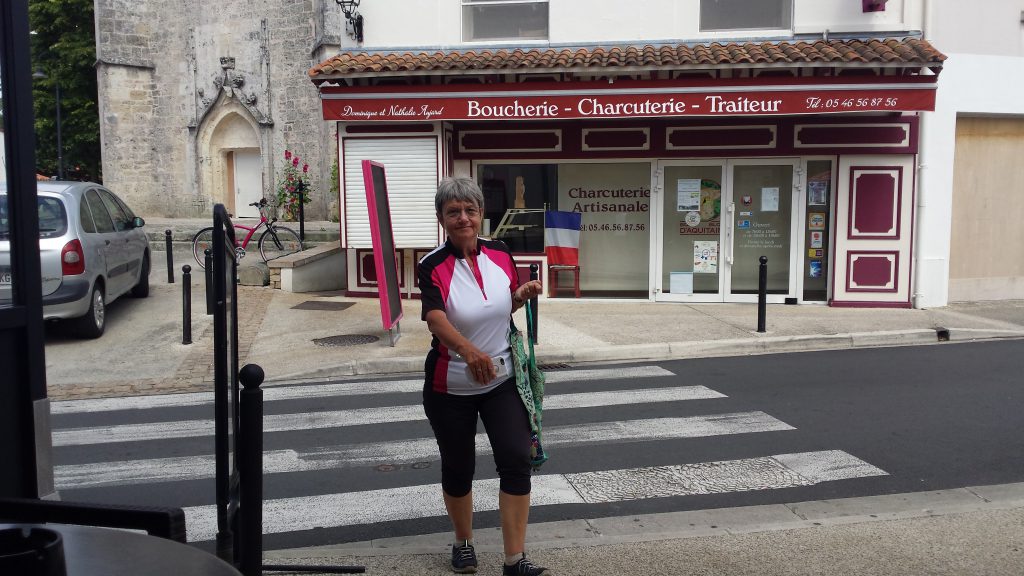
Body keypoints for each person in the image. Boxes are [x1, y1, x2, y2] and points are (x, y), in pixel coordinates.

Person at [418, 177, 549, 576]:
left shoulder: (501, 252)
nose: (463, 218)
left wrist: (520, 296)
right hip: (450, 386)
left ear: (481, 214)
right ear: (441, 218)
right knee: (459, 468)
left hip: (502, 380)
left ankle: (514, 559)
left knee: (516, 458)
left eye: (470, 210)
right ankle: (463, 542)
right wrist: (469, 351)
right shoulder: (431, 265)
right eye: (453, 212)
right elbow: (436, 319)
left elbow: (500, 304)